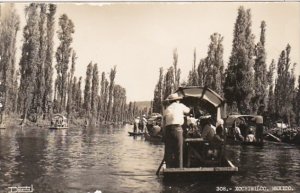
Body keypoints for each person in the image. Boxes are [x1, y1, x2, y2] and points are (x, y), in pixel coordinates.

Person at [163, 93, 190, 168]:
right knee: (179, 151)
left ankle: (168, 168)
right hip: (177, 129)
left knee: (168, 151)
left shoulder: (167, 109)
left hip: (168, 130)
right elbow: (188, 110)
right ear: (177, 100)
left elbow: (164, 122)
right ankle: (179, 169)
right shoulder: (180, 105)